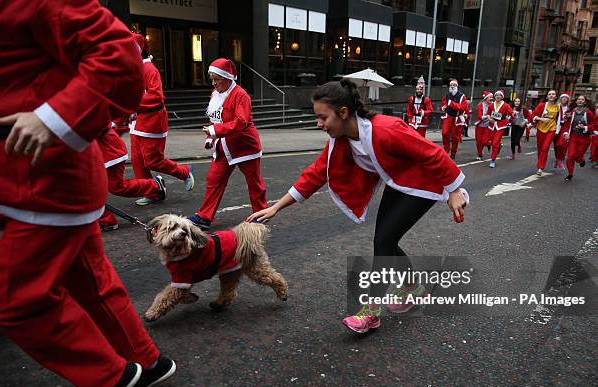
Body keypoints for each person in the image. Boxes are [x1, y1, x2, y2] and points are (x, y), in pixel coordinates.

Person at [0, 1, 175, 387]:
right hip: (35, 174)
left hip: (39, 176)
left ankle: (109, 378)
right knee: (91, 283)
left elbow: (116, 55)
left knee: (17, 302)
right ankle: (145, 362)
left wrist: (56, 119)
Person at [247, 79, 468, 334]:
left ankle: (372, 312)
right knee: (384, 239)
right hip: (398, 181)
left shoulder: (387, 128)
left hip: (424, 182)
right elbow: (316, 174)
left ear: (343, 113)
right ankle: (412, 288)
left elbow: (432, 153)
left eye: (323, 117)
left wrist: (453, 189)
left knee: (384, 240)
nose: (319, 124)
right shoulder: (340, 140)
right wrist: (276, 208)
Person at [189, 58, 267, 230]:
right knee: (213, 179)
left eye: (217, 79)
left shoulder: (241, 95)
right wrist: (210, 138)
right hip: (225, 146)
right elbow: (214, 120)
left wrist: (215, 132)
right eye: (212, 79)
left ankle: (261, 213)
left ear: (228, 78)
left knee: (254, 183)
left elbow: (241, 122)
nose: (214, 83)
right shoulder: (215, 93)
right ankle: (204, 217)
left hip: (245, 146)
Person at [129, 33, 194, 206]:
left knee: (152, 160)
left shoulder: (149, 69)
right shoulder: (134, 68)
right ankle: (152, 192)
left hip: (151, 121)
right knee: (137, 161)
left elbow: (157, 96)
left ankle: (184, 172)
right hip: (137, 121)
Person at [97, 126, 167, 231]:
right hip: (103, 149)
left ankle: (154, 186)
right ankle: (103, 219)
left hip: (108, 151)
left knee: (114, 187)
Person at [562, 95, 595, 181]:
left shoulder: (588, 112)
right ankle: (570, 174)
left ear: (584, 102)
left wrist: (584, 127)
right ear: (576, 101)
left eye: (582, 100)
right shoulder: (571, 112)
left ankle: (581, 160)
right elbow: (566, 124)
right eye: (578, 99)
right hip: (573, 136)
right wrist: (566, 133)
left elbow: (594, 125)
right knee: (570, 156)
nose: (580, 101)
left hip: (584, 138)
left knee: (579, 156)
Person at [531, 90, 560, 176]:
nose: (551, 95)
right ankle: (541, 162)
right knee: (540, 149)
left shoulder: (558, 107)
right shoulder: (542, 105)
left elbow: (562, 117)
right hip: (541, 129)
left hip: (552, 129)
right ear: (547, 97)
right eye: (549, 94)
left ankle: (540, 167)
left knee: (545, 148)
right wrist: (541, 119)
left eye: (553, 94)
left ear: (556, 96)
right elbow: (532, 116)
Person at [440, 79, 468, 160]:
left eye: (454, 85)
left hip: (457, 118)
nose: (452, 86)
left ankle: (453, 152)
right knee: (444, 133)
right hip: (448, 116)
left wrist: (451, 103)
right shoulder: (447, 95)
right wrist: (444, 107)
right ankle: (446, 148)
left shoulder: (462, 96)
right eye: (451, 85)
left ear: (457, 86)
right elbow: (444, 104)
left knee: (455, 137)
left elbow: (462, 107)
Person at [486, 90, 513, 168]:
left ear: (502, 97)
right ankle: (499, 145)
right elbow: (488, 113)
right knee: (491, 142)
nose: (498, 96)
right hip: (492, 125)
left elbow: (510, 111)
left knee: (495, 143)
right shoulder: (491, 105)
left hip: (500, 125)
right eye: (496, 95)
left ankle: (493, 160)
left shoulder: (506, 105)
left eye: (499, 95)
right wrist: (489, 118)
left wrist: (513, 113)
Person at [553, 92, 572, 170]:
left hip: (564, 128)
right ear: (560, 99)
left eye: (566, 98)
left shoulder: (570, 108)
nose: (564, 99)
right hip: (555, 127)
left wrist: (570, 116)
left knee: (561, 144)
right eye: (562, 97)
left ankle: (560, 161)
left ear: (568, 99)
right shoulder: (556, 107)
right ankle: (557, 160)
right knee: (556, 146)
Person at [474, 91, 493, 160]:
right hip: (479, 125)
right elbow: (480, 116)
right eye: (490, 97)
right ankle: (480, 154)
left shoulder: (493, 105)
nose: (491, 99)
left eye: (492, 97)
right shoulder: (480, 105)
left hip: (488, 126)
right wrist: (488, 116)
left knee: (484, 141)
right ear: (486, 98)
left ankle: (490, 144)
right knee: (479, 141)